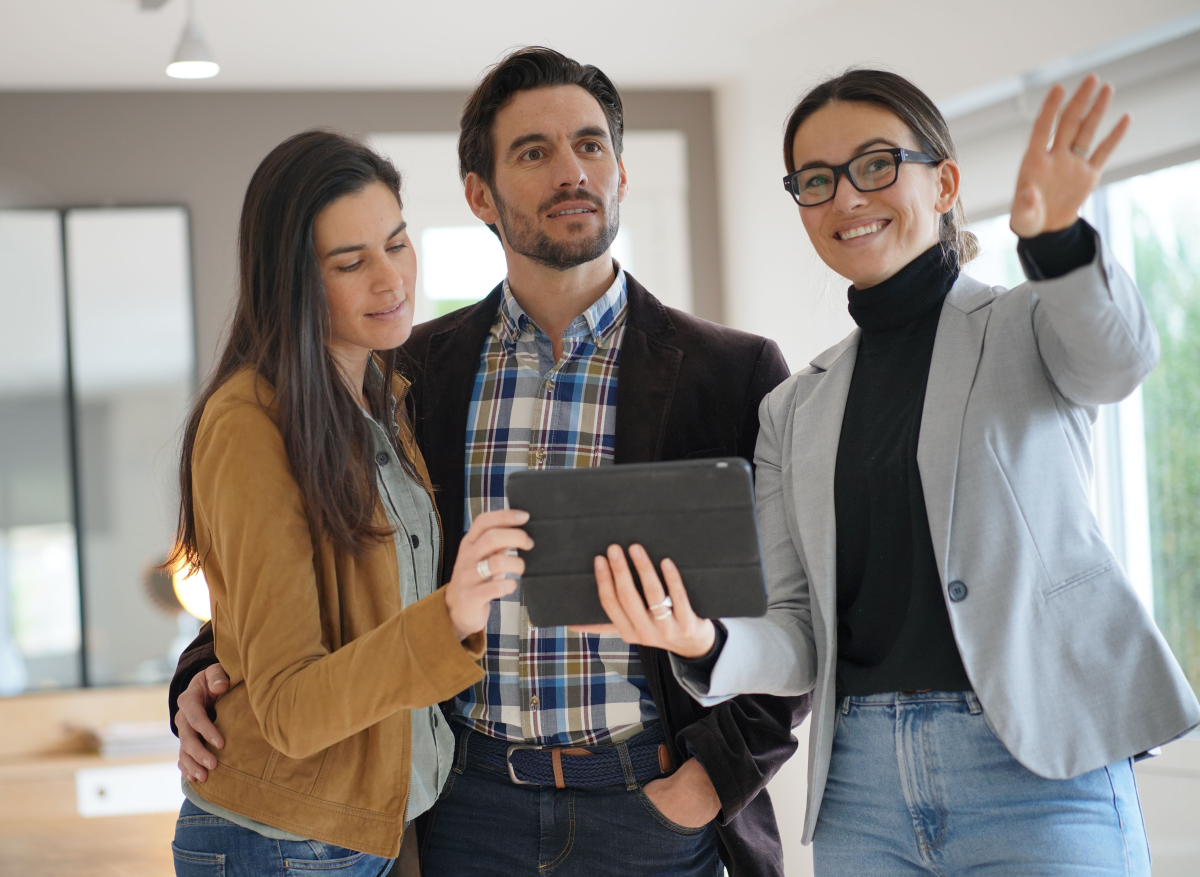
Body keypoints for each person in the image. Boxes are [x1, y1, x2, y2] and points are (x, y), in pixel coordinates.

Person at [169, 48, 812, 877]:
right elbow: (315, 568)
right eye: (533, 152)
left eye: (590, 145)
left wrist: (711, 779)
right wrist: (205, 669)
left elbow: (797, 608)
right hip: (463, 809)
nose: (571, 170)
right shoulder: (407, 371)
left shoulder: (734, 372)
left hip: (647, 806)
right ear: (480, 193)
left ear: (621, 169)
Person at [588, 70, 1200, 875]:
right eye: (817, 180)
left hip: (1037, 770)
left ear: (943, 181)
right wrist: (699, 639)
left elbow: (1118, 361)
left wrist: (1057, 238)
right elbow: (798, 632)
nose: (846, 196)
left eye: (876, 165)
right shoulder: (795, 408)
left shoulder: (1025, 323)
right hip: (864, 789)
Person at [164, 129, 534, 875]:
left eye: (397, 244)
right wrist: (453, 617)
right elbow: (290, 707)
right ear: (293, 281)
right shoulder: (249, 423)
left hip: (364, 830)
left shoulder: (379, 396)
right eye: (350, 262)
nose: (391, 279)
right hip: (282, 843)